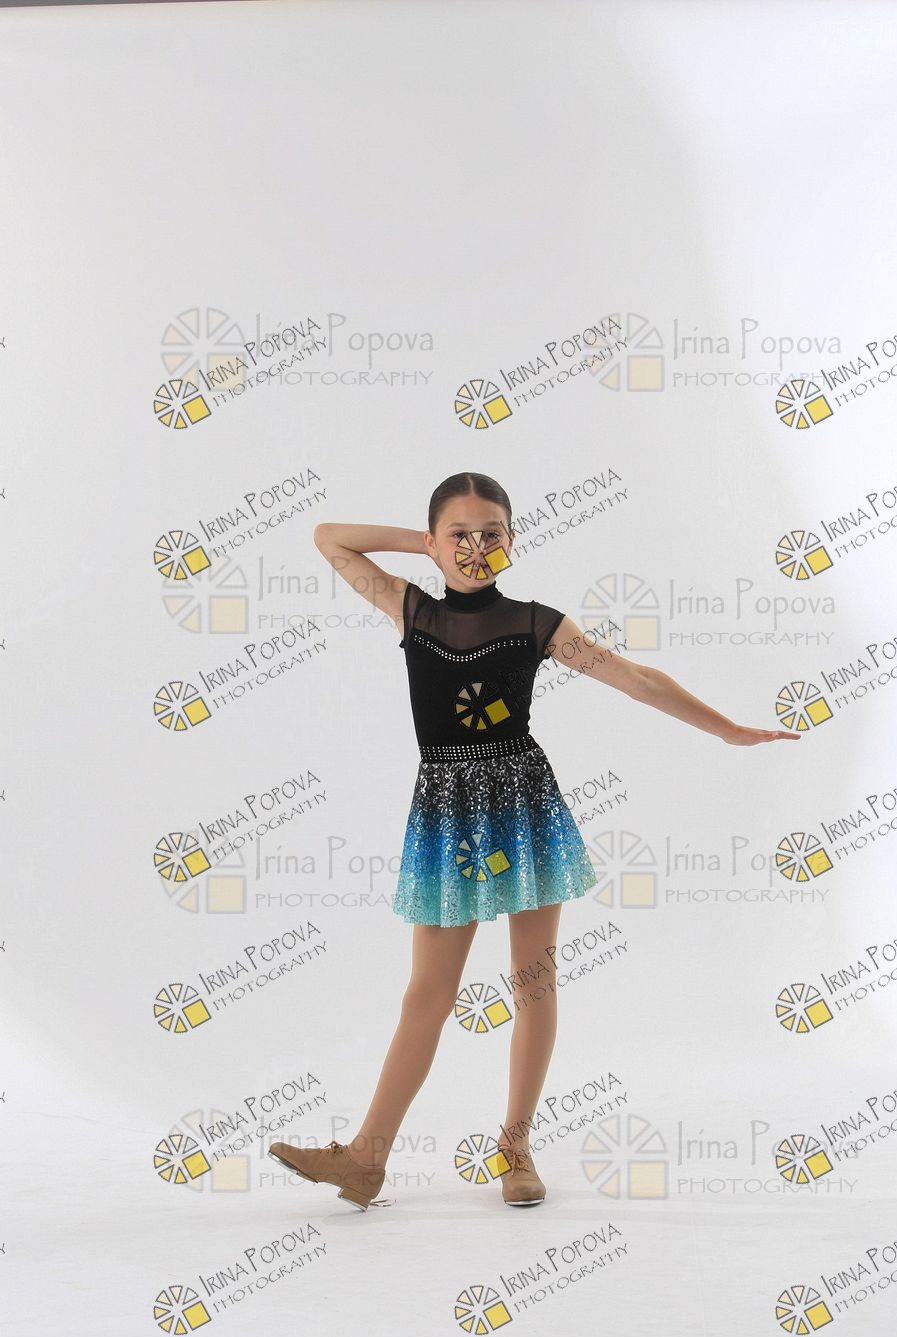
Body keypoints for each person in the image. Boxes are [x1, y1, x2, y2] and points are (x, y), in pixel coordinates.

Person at [268, 471, 799, 1211]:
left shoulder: (536, 625)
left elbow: (638, 680)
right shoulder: (410, 608)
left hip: (524, 807)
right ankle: (366, 1159)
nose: (475, 547)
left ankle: (515, 1147)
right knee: (427, 993)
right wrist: (421, 545)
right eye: (459, 534)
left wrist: (728, 729)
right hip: (448, 816)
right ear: (433, 543)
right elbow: (330, 538)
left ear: (512, 541)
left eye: (491, 533)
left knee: (533, 980)